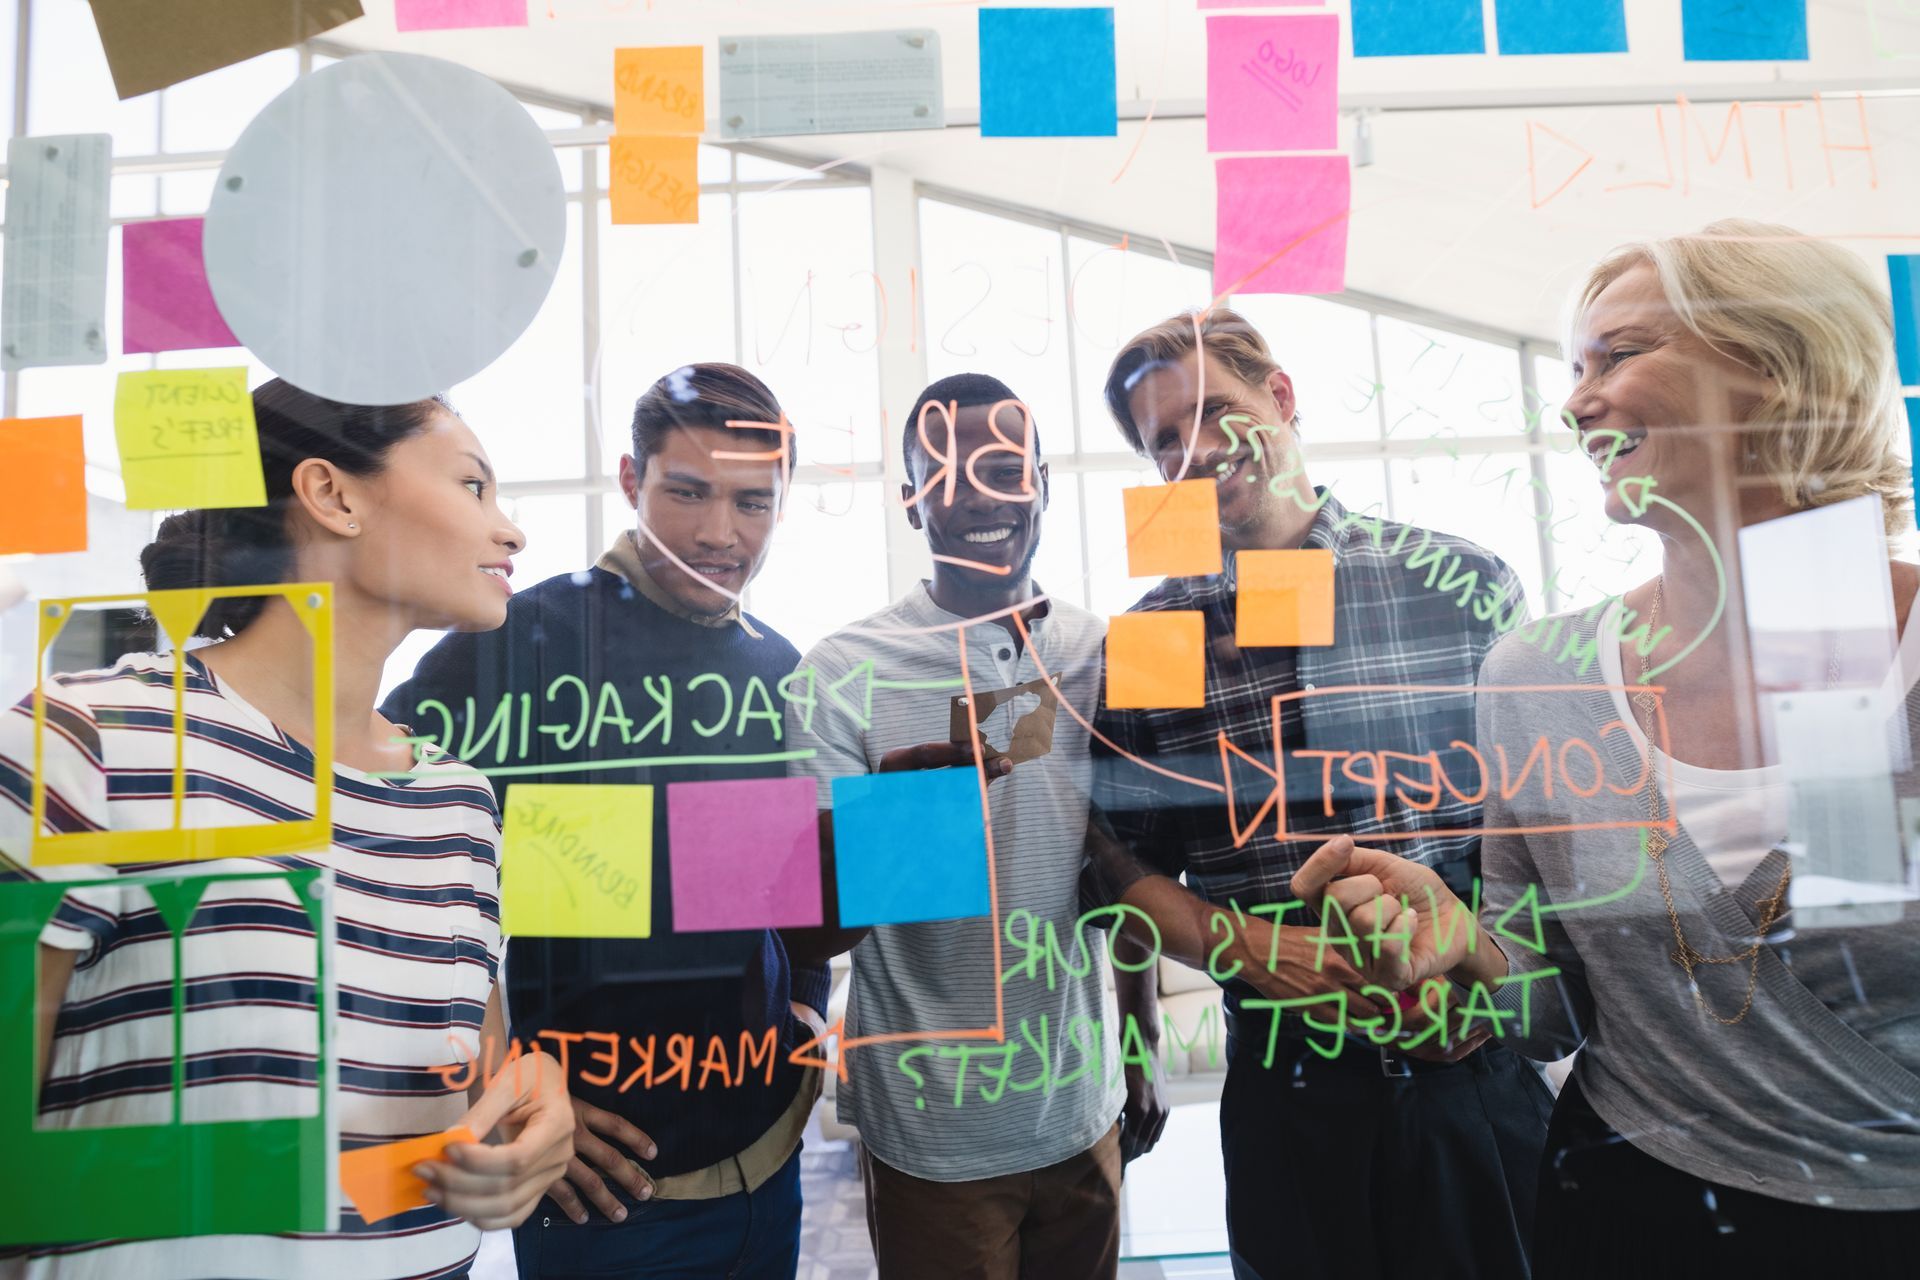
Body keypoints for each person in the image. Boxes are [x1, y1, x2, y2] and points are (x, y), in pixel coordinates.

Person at [1290, 219, 1920, 1276]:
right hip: (1628, 1211)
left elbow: (1848, 931)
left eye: (1621, 355)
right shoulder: (1540, 677)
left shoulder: (1885, 645)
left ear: (1780, 365)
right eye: (1574, 368)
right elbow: (1551, 1004)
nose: (1578, 401)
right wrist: (1459, 943)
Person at [0, 380, 572, 1279]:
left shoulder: (459, 801)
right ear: (333, 494)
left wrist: (530, 1113)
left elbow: (461, 1087)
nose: (510, 531)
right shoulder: (92, 740)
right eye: (473, 486)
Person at [1083, 310, 1554, 1280]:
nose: (1197, 449)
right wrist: (1239, 951)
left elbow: (1547, 834)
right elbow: (1116, 864)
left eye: (1216, 411)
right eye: (1164, 439)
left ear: (1282, 398)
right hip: (1287, 1083)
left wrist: (1493, 974)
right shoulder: (1155, 637)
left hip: (1472, 1065)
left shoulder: (1460, 586)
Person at [381, 363, 830, 1280]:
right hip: (606, 1197)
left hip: (769, 1165)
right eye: (689, 493)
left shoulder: (777, 667)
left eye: (753, 503)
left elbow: (784, 905)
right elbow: (386, 876)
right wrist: (506, 1082)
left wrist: (809, 1026)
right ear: (632, 482)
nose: (719, 533)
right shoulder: (516, 642)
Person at [784, 373, 1163, 1280]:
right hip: (933, 1136)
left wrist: (1141, 1043)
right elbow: (808, 931)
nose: (979, 495)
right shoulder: (840, 673)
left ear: (1041, 482)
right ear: (911, 500)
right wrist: (908, 822)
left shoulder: (1102, 652)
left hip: (1082, 1110)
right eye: (944, 473)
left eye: (1005, 467)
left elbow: (1128, 877)